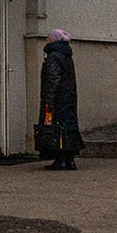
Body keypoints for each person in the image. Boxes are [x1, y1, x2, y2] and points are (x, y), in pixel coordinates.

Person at [35, 28, 84, 169]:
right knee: (68, 126)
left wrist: (48, 101)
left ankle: (60, 159)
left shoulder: (53, 57)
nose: (47, 40)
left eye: (48, 38)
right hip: (68, 97)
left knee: (55, 127)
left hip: (57, 99)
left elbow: (53, 80)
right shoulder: (67, 56)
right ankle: (70, 159)